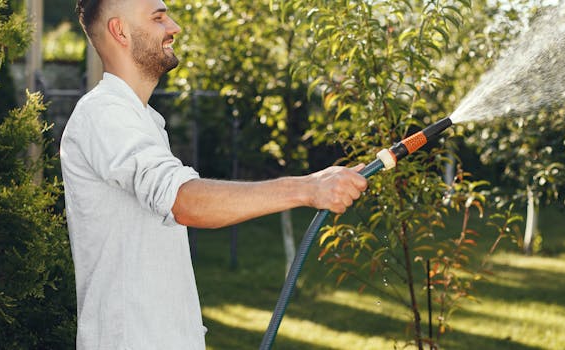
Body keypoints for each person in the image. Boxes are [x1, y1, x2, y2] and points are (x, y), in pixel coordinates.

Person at [60, 0, 368, 349]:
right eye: (159, 18)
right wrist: (308, 188)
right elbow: (184, 201)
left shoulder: (142, 122)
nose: (174, 27)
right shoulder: (104, 115)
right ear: (120, 31)